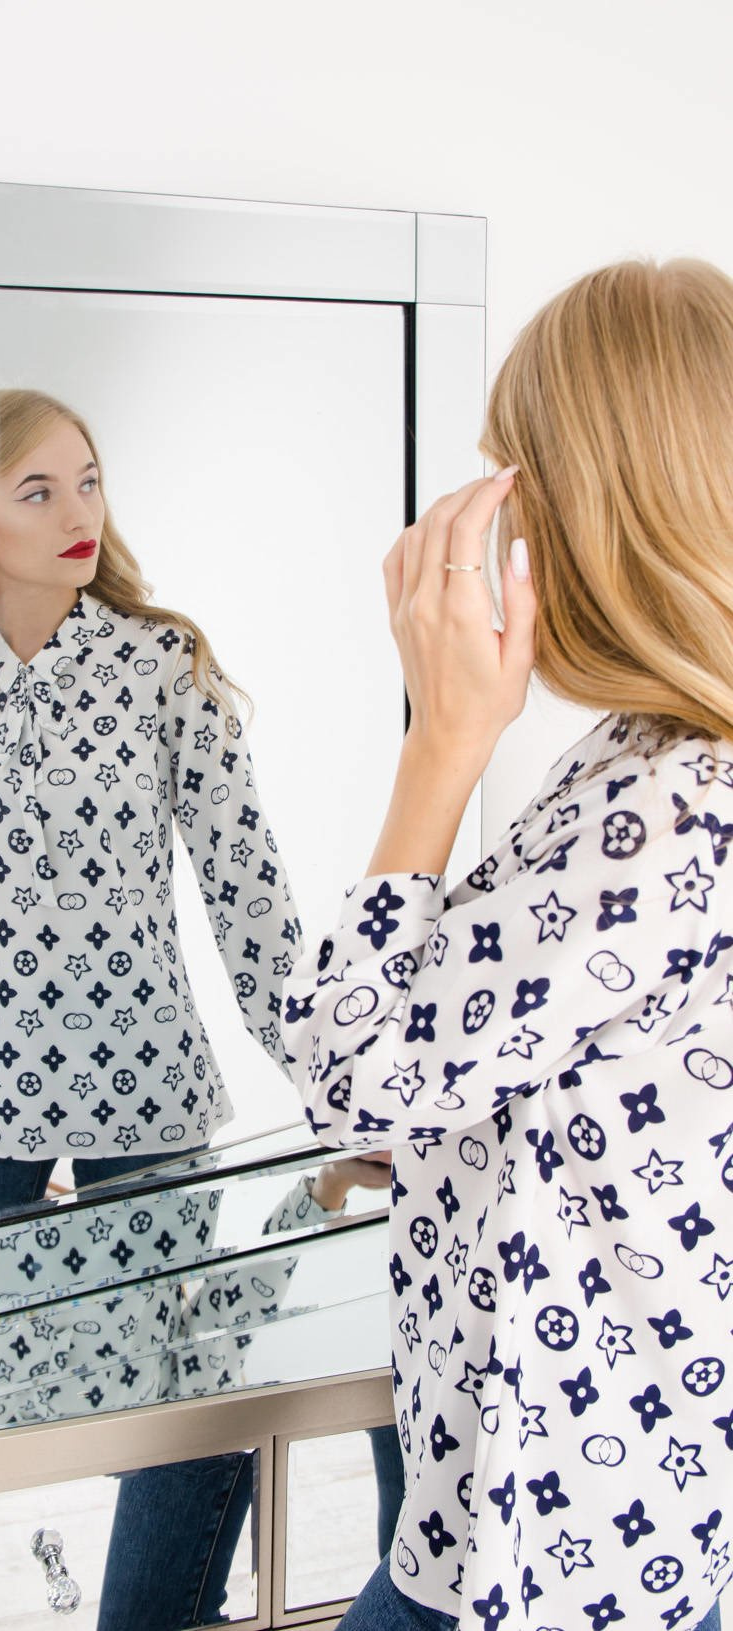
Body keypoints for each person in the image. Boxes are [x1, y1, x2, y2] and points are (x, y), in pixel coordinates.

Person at [282, 259, 731, 1631]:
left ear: (590, 510)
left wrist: (444, 734)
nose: (488, 520)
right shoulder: (651, 763)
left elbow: (352, 1075)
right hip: (598, 1510)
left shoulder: (665, 807)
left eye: (508, 476)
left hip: (544, 1547)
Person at [0, 387, 301, 1231]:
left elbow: (246, 885)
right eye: (39, 491)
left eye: (88, 482)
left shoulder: (164, 661)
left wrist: (326, 1071)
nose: (79, 513)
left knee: (147, 1317)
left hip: (140, 1063)